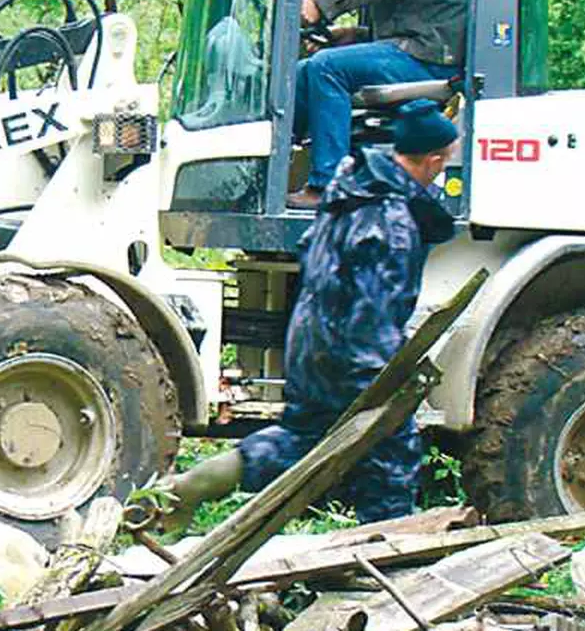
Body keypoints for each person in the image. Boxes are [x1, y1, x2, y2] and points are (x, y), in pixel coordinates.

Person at [161, 100, 458, 528]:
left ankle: (190, 487)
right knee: (392, 456)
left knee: (299, 441)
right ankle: (386, 553)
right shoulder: (392, 219)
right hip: (354, 355)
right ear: (432, 161)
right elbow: (374, 315)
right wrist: (392, 380)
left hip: (309, 344)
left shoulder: (347, 193)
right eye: (445, 161)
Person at [288, 0, 469, 209]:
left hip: (430, 60)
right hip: (419, 50)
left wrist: (319, 3)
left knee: (326, 67)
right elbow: (420, 19)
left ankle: (327, 186)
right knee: (303, 70)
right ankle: (278, 169)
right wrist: (356, 35)